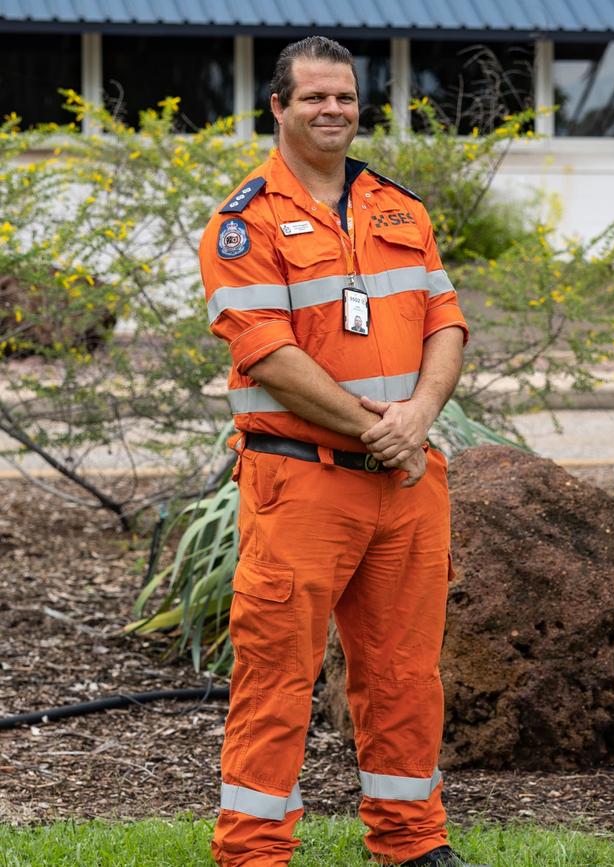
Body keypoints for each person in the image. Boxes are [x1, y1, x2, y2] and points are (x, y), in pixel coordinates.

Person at [199, 36, 488, 867]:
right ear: (279, 108)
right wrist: (377, 425)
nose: (334, 110)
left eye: (346, 96)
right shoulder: (242, 221)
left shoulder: (400, 207)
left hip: (406, 479)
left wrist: (420, 417)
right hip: (301, 481)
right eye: (315, 97)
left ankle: (411, 843)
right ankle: (253, 852)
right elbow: (267, 352)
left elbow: (445, 319)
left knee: (405, 676)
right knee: (276, 679)